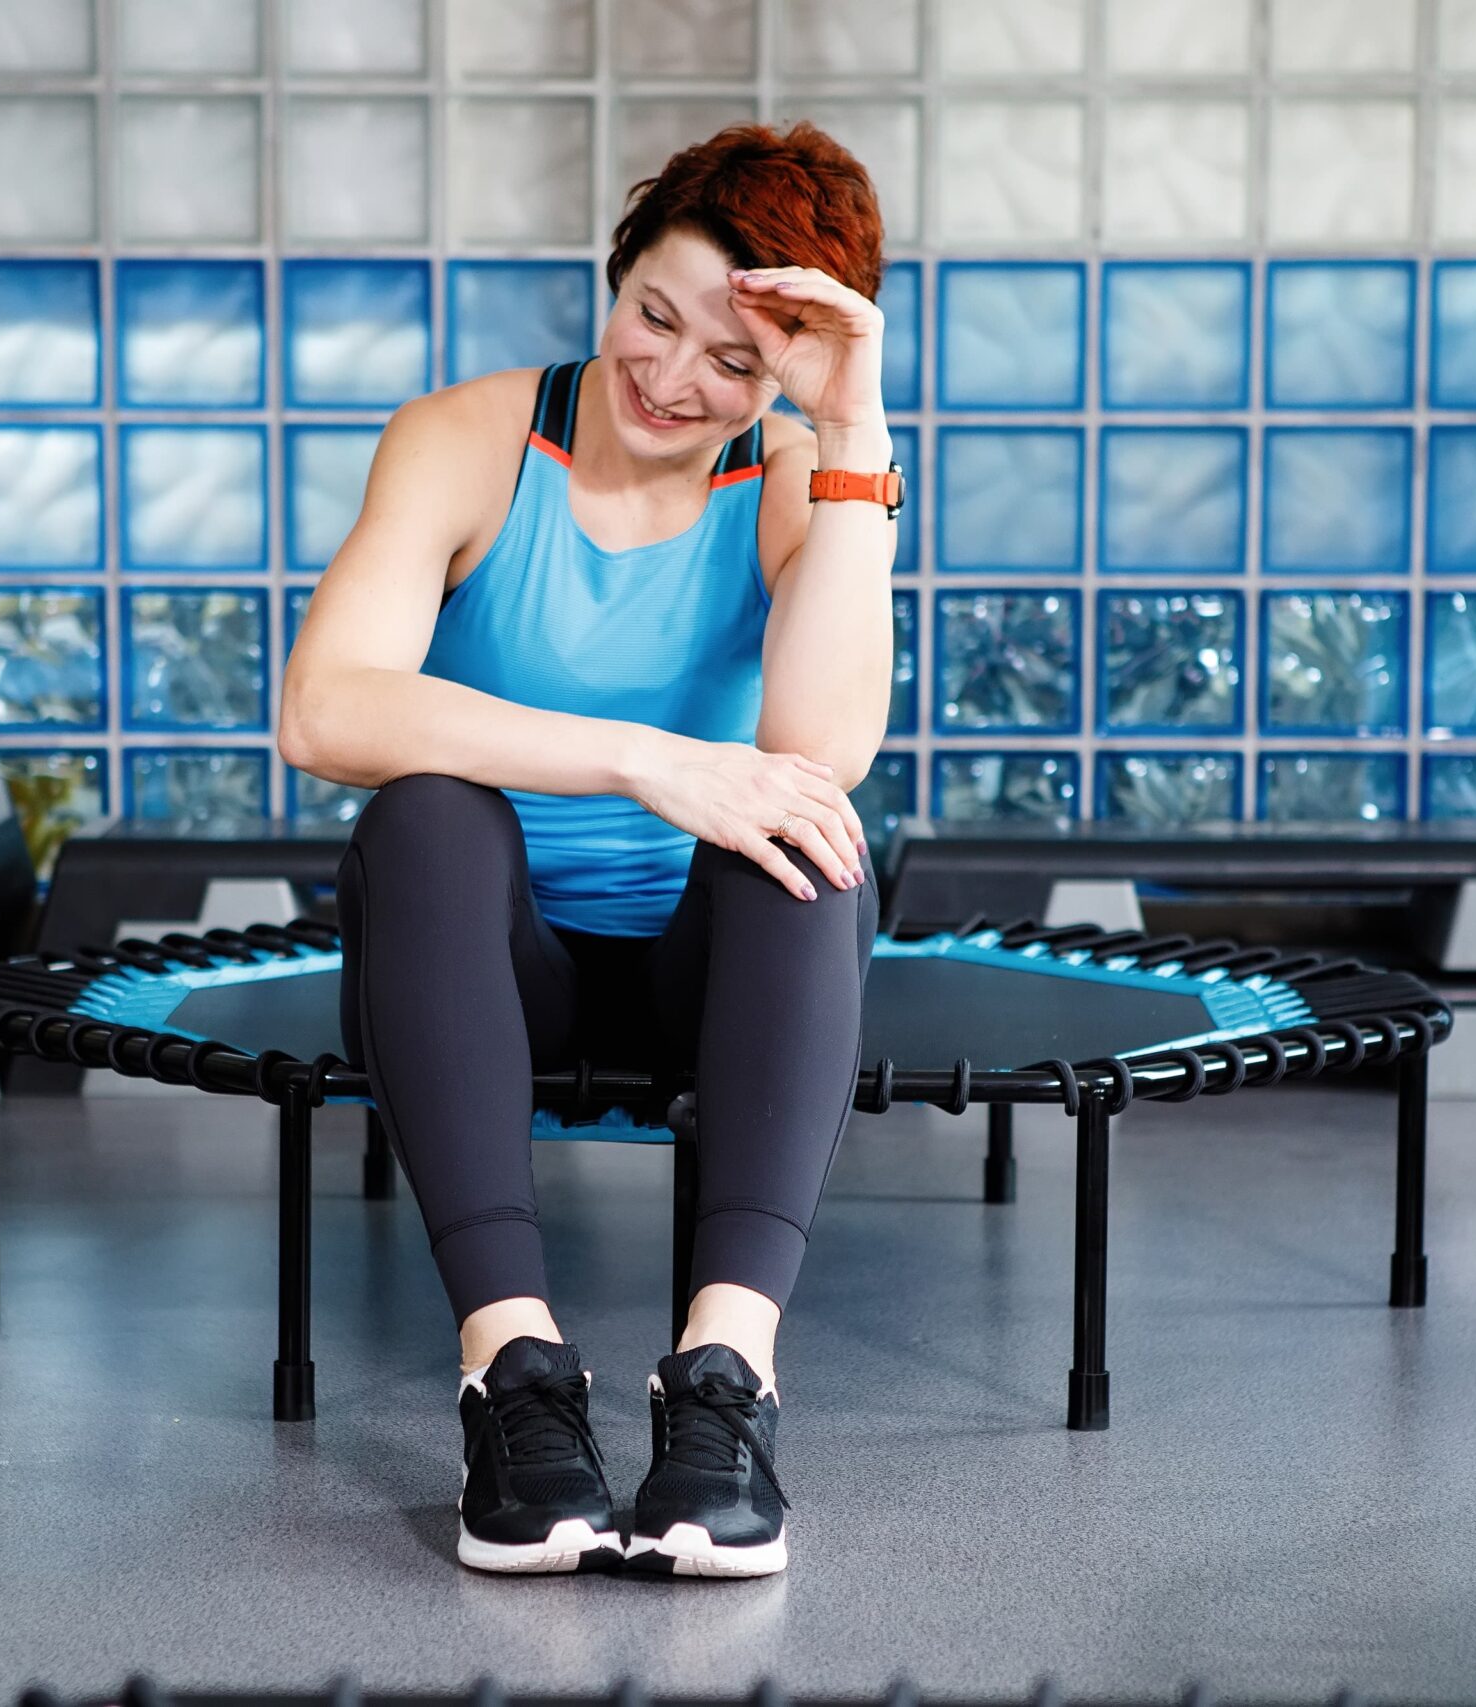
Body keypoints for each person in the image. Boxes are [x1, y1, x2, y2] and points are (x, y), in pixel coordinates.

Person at [277, 121, 898, 1579]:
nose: (675, 378)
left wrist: (854, 435)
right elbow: (325, 710)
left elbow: (820, 748)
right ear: (612, 282)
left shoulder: (804, 476)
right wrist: (643, 758)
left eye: (735, 362)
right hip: (490, 964)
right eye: (653, 315)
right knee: (425, 809)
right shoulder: (468, 438)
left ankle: (726, 1387)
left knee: (798, 832)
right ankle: (516, 1376)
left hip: (704, 973)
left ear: (788, 372)